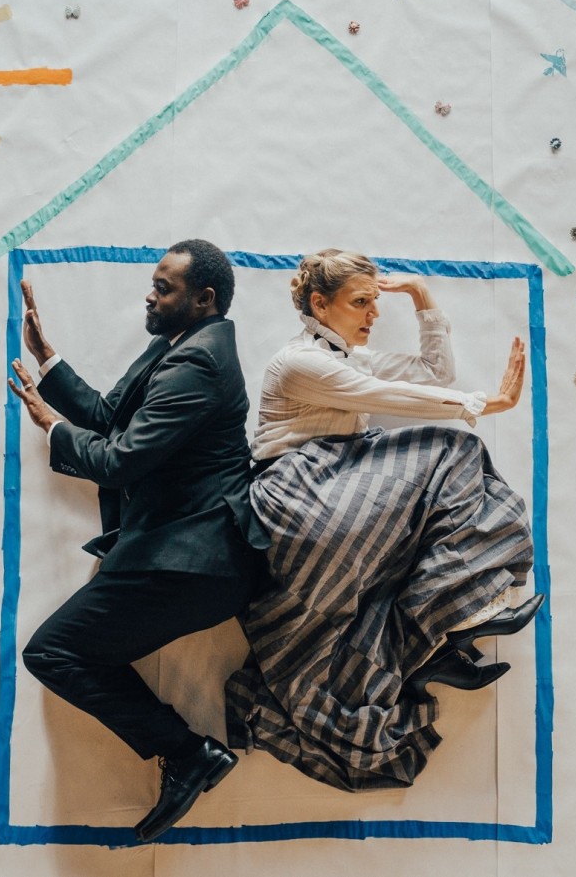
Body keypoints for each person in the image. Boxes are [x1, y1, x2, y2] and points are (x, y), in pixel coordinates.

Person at [224, 249, 542, 791]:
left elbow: (432, 373)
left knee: (408, 549)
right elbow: (382, 395)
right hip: (297, 490)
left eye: (375, 301)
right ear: (319, 304)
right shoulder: (298, 362)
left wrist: (421, 295)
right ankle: (451, 619)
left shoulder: (349, 357)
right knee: (453, 450)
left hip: (337, 481)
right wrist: (483, 404)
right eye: (360, 302)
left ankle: (438, 640)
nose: (373, 313)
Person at [8, 239, 269, 842]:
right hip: (174, 556)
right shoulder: (175, 345)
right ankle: (188, 753)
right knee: (57, 652)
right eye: (153, 284)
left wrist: (51, 426)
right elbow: (110, 417)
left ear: (203, 299)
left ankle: (189, 753)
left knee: (51, 653)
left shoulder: (200, 364)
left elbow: (119, 461)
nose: (149, 296)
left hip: (195, 561)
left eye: (163, 288)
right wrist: (48, 360)